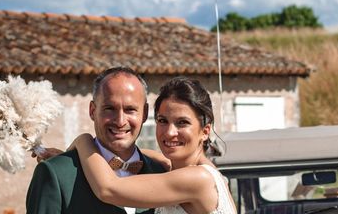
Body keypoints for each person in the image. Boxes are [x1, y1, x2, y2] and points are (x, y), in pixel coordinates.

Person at [68, 76, 236, 214]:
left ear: (205, 131)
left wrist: (83, 142)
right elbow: (146, 155)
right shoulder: (197, 169)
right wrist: (71, 159)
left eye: (182, 123)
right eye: (163, 120)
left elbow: (108, 189)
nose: (170, 132)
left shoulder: (198, 179)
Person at [26, 66, 167, 214]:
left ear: (144, 113)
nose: (120, 121)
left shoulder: (162, 172)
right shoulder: (56, 173)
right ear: (93, 111)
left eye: (130, 109)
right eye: (109, 108)